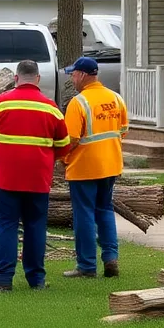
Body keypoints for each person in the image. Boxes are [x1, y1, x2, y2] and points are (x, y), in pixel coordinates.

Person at [0, 60, 71, 291]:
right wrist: (46, 157)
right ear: (37, 79)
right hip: (38, 178)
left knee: (6, 225)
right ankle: (36, 280)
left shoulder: (1, 103)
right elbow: (65, 145)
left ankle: (3, 280)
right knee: (35, 226)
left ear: (16, 78)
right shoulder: (51, 108)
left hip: (5, 178)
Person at [61, 56, 129, 279]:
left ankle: (86, 266)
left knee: (84, 216)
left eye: (73, 74)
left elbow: (70, 139)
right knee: (105, 211)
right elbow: (123, 130)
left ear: (81, 75)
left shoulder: (78, 103)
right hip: (110, 165)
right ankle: (111, 258)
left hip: (84, 168)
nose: (72, 78)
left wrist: (62, 158)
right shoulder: (116, 98)